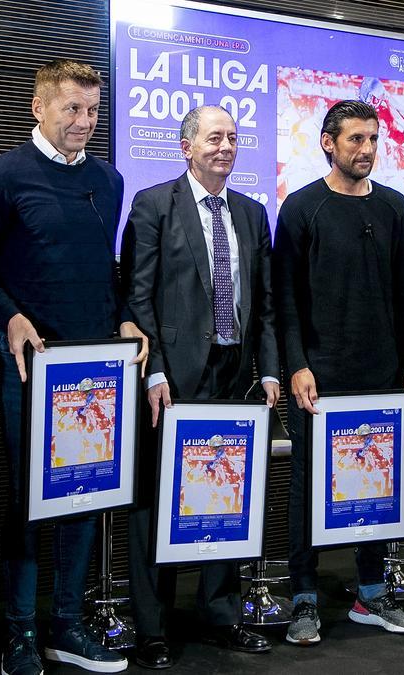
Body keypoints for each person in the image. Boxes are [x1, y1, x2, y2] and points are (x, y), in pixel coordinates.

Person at [0, 59, 147, 675]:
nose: (84, 122)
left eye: (93, 110)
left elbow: (108, 267)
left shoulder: (110, 179)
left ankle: (66, 624)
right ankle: (18, 632)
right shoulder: (3, 178)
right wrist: (9, 317)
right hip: (30, 370)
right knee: (27, 501)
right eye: (72, 108)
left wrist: (124, 315)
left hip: (93, 371)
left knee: (85, 497)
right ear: (38, 108)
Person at [120, 105, 279, 669]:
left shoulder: (253, 213)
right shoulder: (154, 204)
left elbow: (263, 303)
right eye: (214, 138)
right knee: (156, 501)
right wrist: (154, 369)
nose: (225, 147)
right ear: (186, 146)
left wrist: (268, 368)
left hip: (234, 374)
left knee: (223, 494)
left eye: (233, 138)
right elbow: (137, 298)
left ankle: (222, 615)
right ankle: (153, 627)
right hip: (172, 380)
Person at [274, 100, 404, 646]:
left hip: (381, 372)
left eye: (373, 139)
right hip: (320, 376)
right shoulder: (301, 207)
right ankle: (305, 600)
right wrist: (297, 365)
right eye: (355, 139)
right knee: (308, 490)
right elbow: (285, 299)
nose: (366, 150)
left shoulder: (392, 206)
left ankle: (371, 592)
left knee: (375, 486)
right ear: (328, 143)